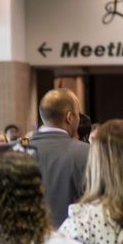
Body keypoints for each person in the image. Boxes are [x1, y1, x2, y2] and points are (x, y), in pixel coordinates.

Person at [26, 90, 89, 227]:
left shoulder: (14, 153)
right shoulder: (87, 153)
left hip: (25, 243)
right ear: (70, 117)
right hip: (70, 243)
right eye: (78, 115)